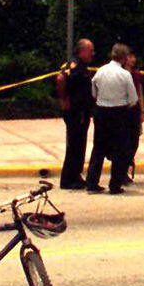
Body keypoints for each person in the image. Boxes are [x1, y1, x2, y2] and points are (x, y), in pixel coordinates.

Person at [85, 43, 138, 195]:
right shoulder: (125, 75)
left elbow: (93, 90)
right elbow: (133, 99)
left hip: (101, 112)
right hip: (119, 113)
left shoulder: (100, 71)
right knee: (119, 149)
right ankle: (115, 185)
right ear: (124, 58)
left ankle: (92, 182)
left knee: (98, 148)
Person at [56, 39, 96, 190]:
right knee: (74, 145)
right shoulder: (73, 65)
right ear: (81, 51)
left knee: (80, 144)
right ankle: (68, 179)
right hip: (75, 111)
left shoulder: (81, 65)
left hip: (82, 110)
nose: (92, 53)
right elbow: (60, 78)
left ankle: (76, 175)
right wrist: (63, 100)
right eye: (90, 50)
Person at [121, 48, 144, 185]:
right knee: (124, 142)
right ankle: (121, 171)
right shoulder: (120, 74)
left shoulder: (136, 75)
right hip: (123, 111)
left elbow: (140, 92)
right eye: (130, 57)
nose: (133, 60)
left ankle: (126, 165)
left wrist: (142, 111)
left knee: (134, 141)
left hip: (135, 110)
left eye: (133, 56)